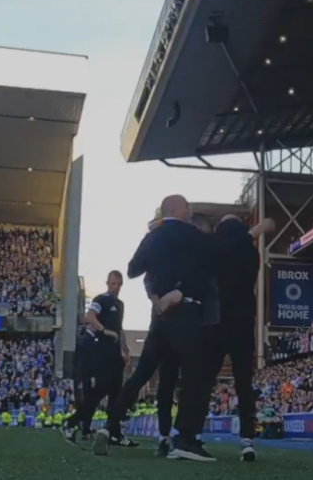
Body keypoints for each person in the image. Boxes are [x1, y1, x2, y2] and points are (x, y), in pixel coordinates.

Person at [93, 195, 223, 462]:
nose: (190, 211)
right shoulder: (192, 235)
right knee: (194, 376)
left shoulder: (153, 237)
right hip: (185, 311)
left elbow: (132, 270)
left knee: (140, 376)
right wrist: (178, 291)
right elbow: (211, 264)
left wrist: (155, 294)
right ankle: (184, 439)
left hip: (159, 318)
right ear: (176, 209)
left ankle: (109, 427)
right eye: (187, 207)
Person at [200, 214, 272, 462]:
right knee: (244, 383)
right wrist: (253, 232)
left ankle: (192, 434)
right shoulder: (250, 253)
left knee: (205, 379)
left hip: (218, 321)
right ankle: (247, 439)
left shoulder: (217, 250)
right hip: (243, 323)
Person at [63, 270, 134, 446]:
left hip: (115, 354)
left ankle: (114, 432)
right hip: (100, 353)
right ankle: (72, 423)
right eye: (113, 283)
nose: (116, 287)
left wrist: (125, 350)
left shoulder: (120, 304)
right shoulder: (100, 300)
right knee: (98, 392)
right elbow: (90, 317)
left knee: (117, 394)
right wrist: (104, 330)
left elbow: (119, 329)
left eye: (119, 284)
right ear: (107, 283)